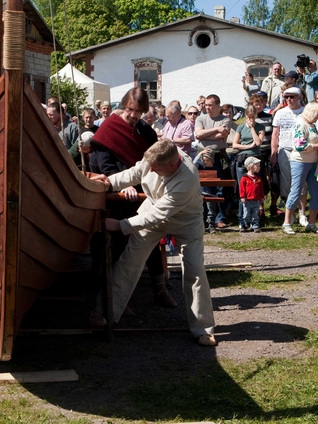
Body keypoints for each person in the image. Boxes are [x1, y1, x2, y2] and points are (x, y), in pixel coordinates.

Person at [91, 140, 217, 347]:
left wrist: (121, 225)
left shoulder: (187, 178)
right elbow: (134, 173)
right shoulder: (154, 158)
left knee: (195, 271)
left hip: (185, 222)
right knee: (129, 261)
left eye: (155, 169)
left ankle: (203, 328)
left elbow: (158, 215)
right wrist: (108, 183)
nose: (150, 170)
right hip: (152, 211)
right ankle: (104, 313)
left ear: (171, 165)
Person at [89, 87, 175, 309]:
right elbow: (103, 166)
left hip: (141, 195)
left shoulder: (145, 131)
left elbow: (153, 162)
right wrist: (122, 185)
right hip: (114, 197)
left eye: (139, 111)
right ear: (124, 106)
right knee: (116, 246)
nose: (134, 115)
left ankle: (159, 289)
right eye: (130, 110)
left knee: (150, 239)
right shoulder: (107, 131)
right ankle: (114, 297)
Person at [284, 103, 318, 235]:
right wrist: (317, 146)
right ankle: (287, 222)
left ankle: (312, 223)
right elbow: (299, 145)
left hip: (314, 162)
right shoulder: (300, 124)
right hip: (300, 162)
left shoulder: (312, 125)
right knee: (296, 191)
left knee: (316, 192)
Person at [195, 94, 233, 229]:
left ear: (217, 105)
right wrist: (216, 129)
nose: (207, 107)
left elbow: (222, 135)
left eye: (210, 105)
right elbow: (198, 135)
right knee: (202, 188)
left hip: (218, 156)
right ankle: (203, 217)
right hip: (203, 155)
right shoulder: (200, 118)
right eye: (206, 105)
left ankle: (220, 218)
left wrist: (206, 134)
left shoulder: (225, 119)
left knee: (219, 188)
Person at [270, 87, 305, 228]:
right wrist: (274, 153)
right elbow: (275, 134)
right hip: (285, 150)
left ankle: (302, 213)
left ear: (298, 97)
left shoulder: (305, 111)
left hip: (302, 150)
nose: (289, 100)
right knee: (286, 182)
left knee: (302, 182)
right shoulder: (280, 113)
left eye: (291, 97)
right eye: (286, 97)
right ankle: (291, 213)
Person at [238, 156, 265, 232]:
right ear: (251, 166)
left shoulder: (258, 178)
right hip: (247, 200)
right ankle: (245, 225)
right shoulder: (244, 178)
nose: (259, 167)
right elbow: (242, 188)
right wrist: (242, 196)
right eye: (258, 165)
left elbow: (261, 189)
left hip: (256, 200)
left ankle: (255, 225)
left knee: (255, 214)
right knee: (246, 213)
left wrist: (261, 197)